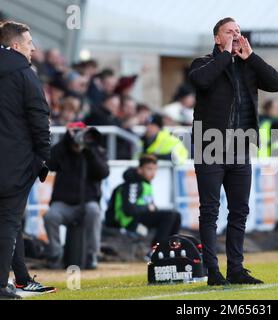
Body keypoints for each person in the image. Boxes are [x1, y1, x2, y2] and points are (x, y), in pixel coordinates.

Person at [189, 17, 278, 286]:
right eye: (229, 32)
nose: (235, 35)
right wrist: (226, 57)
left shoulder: (247, 65)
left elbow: (277, 83)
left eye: (238, 32)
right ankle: (212, 271)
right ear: (217, 38)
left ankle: (236, 268)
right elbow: (201, 81)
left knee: (239, 210)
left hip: (241, 146)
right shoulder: (204, 63)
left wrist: (251, 57)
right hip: (210, 145)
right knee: (210, 211)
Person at [0, 21, 55, 299]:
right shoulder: (24, 74)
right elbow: (39, 119)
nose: (34, 47)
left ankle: (20, 278)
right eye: (30, 41)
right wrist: (43, 158)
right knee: (9, 222)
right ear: (16, 45)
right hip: (15, 163)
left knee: (11, 223)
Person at [44, 122, 110, 270]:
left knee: (94, 211)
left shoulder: (94, 150)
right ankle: (55, 255)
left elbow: (103, 172)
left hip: (87, 202)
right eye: (76, 132)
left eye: (82, 132)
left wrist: (88, 151)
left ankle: (92, 255)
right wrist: (66, 140)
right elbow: (49, 163)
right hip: (64, 203)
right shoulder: (62, 150)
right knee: (50, 216)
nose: (80, 135)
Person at [105, 154, 181, 253]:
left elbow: (151, 207)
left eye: (155, 169)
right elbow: (129, 209)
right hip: (129, 221)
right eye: (149, 169)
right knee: (169, 216)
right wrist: (147, 207)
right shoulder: (133, 184)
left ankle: (171, 249)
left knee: (176, 215)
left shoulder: (146, 184)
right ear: (140, 170)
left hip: (140, 217)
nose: (153, 173)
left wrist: (150, 208)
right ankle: (155, 251)